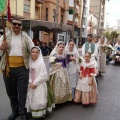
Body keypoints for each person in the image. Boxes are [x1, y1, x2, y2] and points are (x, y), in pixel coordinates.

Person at [0, 17, 34, 120]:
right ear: (11, 25)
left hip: (22, 69)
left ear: (21, 27)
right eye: (15, 24)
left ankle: (23, 113)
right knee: (11, 92)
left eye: (19, 25)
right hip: (8, 69)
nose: (16, 26)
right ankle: (15, 111)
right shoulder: (4, 37)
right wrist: (1, 48)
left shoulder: (26, 37)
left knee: (22, 92)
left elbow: (33, 50)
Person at [26, 46, 54, 119]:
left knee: (39, 100)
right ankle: (33, 112)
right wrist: (30, 82)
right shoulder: (30, 62)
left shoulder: (41, 63)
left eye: (36, 52)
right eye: (33, 52)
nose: (34, 54)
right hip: (31, 83)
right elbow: (28, 73)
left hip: (39, 84)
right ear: (31, 53)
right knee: (31, 97)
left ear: (39, 54)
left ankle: (40, 113)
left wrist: (35, 83)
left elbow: (43, 75)